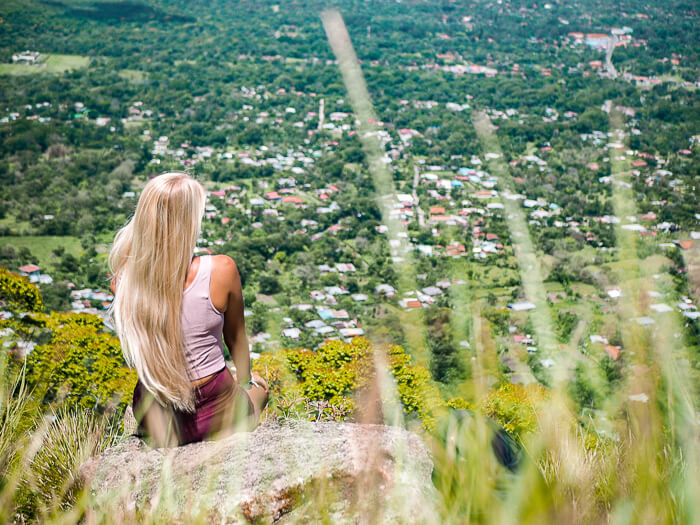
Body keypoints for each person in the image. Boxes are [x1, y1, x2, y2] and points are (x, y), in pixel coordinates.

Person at [108, 172, 268, 447]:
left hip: (154, 412)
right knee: (261, 387)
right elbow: (237, 339)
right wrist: (243, 382)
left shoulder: (123, 282)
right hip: (215, 410)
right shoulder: (221, 270)